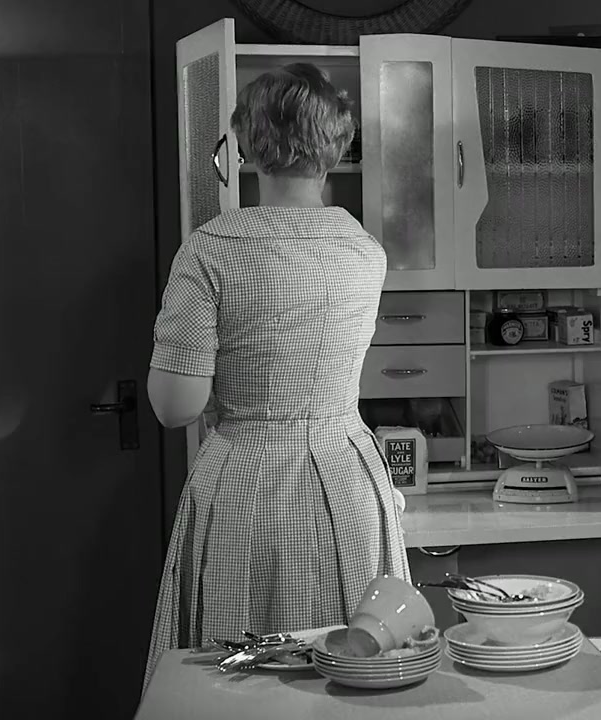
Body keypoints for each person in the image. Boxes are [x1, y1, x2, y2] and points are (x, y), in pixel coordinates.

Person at [142, 63, 408, 688]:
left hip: (247, 479)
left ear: (245, 144)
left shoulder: (212, 247)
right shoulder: (365, 251)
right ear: (337, 146)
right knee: (351, 668)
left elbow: (176, 407)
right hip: (348, 477)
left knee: (238, 678)